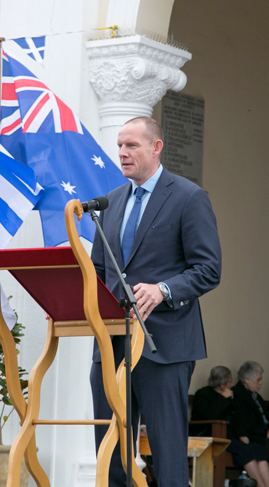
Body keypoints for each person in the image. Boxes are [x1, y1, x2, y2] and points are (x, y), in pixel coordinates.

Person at [90, 116, 222, 487]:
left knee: (166, 455)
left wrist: (163, 289)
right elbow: (101, 270)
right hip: (111, 344)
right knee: (111, 452)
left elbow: (209, 269)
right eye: (119, 145)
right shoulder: (110, 202)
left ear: (156, 147)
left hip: (164, 344)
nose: (122, 153)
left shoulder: (188, 197)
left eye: (132, 145)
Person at [232, 361, 269, 487]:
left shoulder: (256, 396)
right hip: (251, 436)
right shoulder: (237, 394)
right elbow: (243, 422)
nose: (261, 383)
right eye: (258, 380)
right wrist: (266, 432)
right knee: (263, 449)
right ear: (246, 380)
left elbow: (267, 419)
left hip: (260, 436)